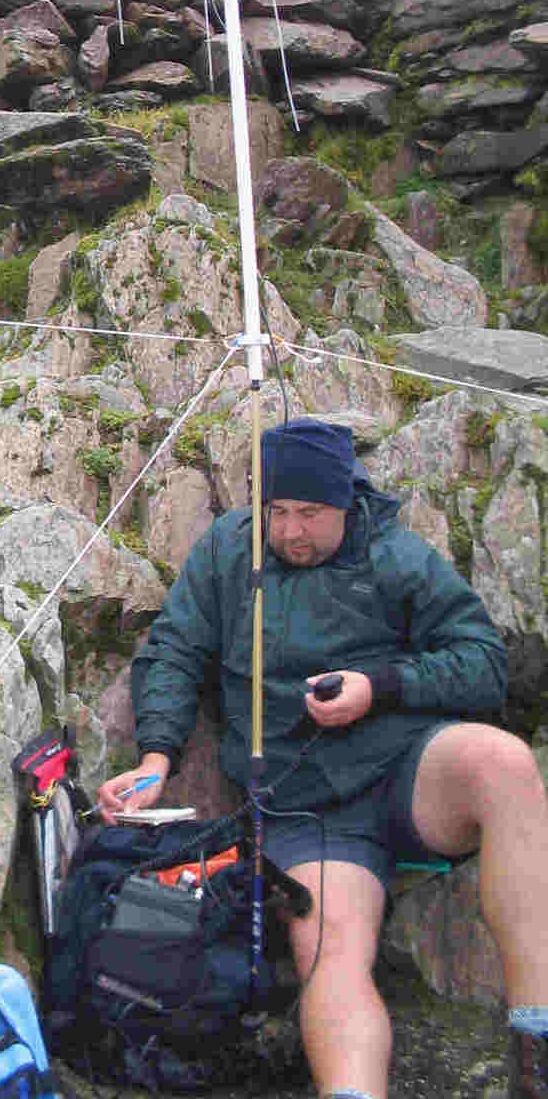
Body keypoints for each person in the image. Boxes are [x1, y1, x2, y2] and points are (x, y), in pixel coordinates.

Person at [97, 418, 548, 1099]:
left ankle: (534, 1039)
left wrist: (379, 687)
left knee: (503, 763)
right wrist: (157, 757)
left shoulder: (395, 556)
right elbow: (173, 651)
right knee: (330, 949)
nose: (290, 532)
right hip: (302, 803)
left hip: (407, 769)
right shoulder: (229, 553)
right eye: (277, 512)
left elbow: (482, 662)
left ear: (346, 503)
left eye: (309, 513)